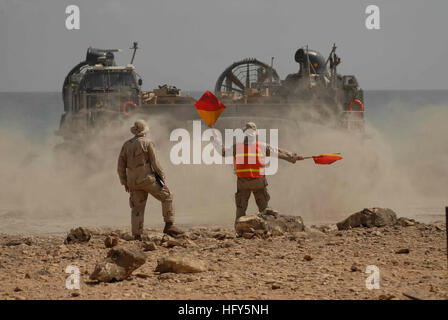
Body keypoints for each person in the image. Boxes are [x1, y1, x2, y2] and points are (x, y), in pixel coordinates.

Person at [213, 122, 304, 222]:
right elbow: (279, 152)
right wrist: (294, 157)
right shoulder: (262, 146)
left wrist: (216, 138)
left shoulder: (237, 147)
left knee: (241, 209)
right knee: (264, 208)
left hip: (243, 182)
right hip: (259, 182)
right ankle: (268, 227)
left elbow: (223, 152)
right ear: (256, 133)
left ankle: (239, 229)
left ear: (244, 134)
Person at [117, 119, 184, 239]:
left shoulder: (126, 145)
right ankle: (169, 225)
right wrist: (162, 179)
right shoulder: (148, 143)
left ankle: (137, 235)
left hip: (133, 182)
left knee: (137, 208)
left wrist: (124, 182)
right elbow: (155, 163)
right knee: (167, 196)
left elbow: (120, 166)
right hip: (147, 179)